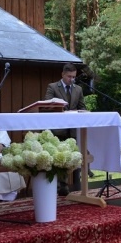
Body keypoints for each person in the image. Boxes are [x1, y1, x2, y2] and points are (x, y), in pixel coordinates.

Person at [45, 63, 87, 195]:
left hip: (72, 131)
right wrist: (62, 109)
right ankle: (53, 186)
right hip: (57, 130)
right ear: (62, 74)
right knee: (56, 158)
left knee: (68, 159)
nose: (71, 79)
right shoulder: (52, 87)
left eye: (74, 77)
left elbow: (82, 107)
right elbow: (47, 106)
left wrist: (79, 111)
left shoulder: (78, 89)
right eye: (69, 76)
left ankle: (65, 186)